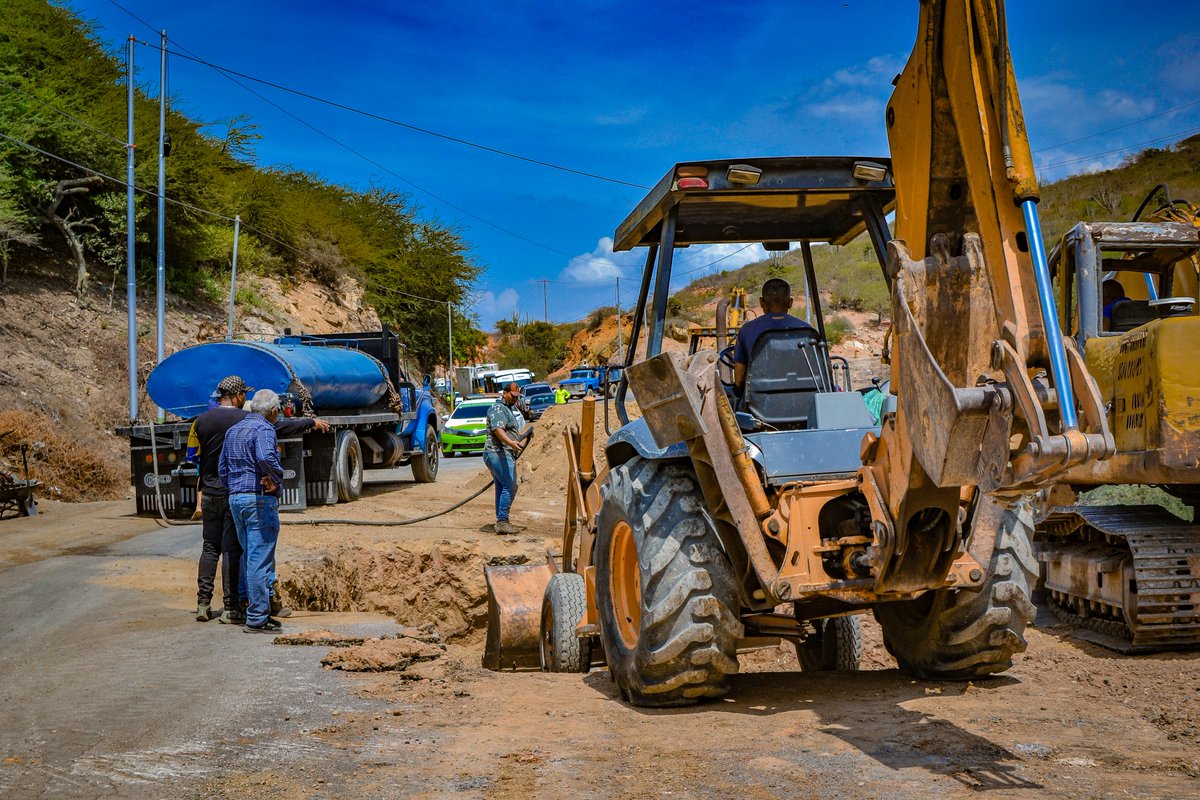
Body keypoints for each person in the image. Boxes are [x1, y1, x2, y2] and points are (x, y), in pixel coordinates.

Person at [220, 389, 290, 633]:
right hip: (258, 500)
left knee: (249, 556)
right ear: (272, 411)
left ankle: (251, 606)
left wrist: (236, 490)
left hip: (236, 498)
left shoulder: (233, 431)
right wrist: (276, 477)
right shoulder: (264, 429)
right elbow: (265, 457)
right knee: (259, 560)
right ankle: (258, 617)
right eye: (278, 410)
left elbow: (222, 469)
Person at [732, 278, 814, 393]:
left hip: (758, 403)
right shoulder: (807, 330)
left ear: (761, 302)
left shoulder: (747, 330)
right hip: (803, 400)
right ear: (790, 303)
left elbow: (739, 380)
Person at [483, 381, 525, 534]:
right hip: (497, 452)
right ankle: (502, 521)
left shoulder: (507, 409)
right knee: (510, 486)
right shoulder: (498, 408)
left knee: (501, 486)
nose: (515, 399)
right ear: (505, 393)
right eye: (513, 396)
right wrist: (511, 443)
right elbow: (497, 429)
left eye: (517, 397)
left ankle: (501, 519)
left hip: (501, 452)